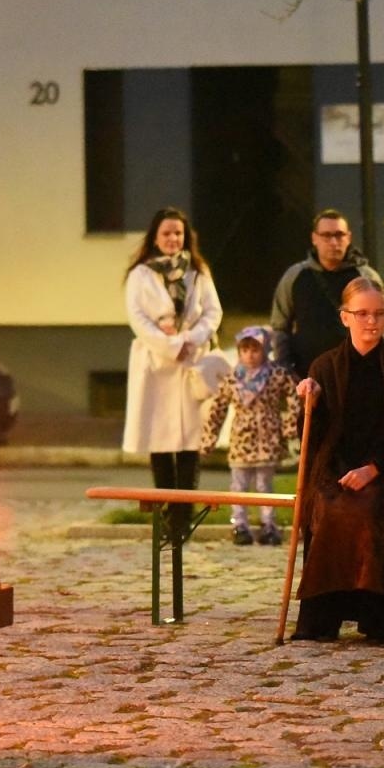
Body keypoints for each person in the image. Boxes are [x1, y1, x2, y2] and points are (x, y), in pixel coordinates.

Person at [291, 278, 384, 642]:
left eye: (379, 313)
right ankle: (321, 618)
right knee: (332, 507)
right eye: (362, 313)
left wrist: (373, 468)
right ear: (345, 317)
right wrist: (310, 404)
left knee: (367, 507)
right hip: (334, 468)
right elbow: (311, 438)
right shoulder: (325, 366)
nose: (371, 322)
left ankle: (376, 615)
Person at [122, 207, 223, 540]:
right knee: (162, 441)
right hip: (157, 364)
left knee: (190, 441)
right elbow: (138, 318)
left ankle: (184, 516)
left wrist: (189, 340)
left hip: (191, 362)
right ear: (155, 236)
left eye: (177, 233)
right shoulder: (140, 274)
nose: (172, 239)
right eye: (166, 233)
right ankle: (166, 513)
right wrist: (168, 344)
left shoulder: (198, 271)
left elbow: (213, 312)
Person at [201, 326, 298, 546]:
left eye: (255, 350)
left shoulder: (275, 374)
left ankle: (269, 525)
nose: (250, 355)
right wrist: (208, 440)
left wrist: (290, 426)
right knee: (239, 485)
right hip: (241, 439)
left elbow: (294, 395)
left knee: (265, 484)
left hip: (268, 437)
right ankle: (239, 525)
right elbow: (218, 408)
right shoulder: (233, 378)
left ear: (264, 349)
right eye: (245, 350)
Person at [271, 209, 384, 379]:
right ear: (314, 238)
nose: (333, 242)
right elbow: (280, 326)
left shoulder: (366, 277)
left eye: (339, 235)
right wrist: (285, 368)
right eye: (326, 235)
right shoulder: (295, 276)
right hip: (305, 377)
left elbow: (383, 325)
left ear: (349, 237)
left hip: (355, 376)